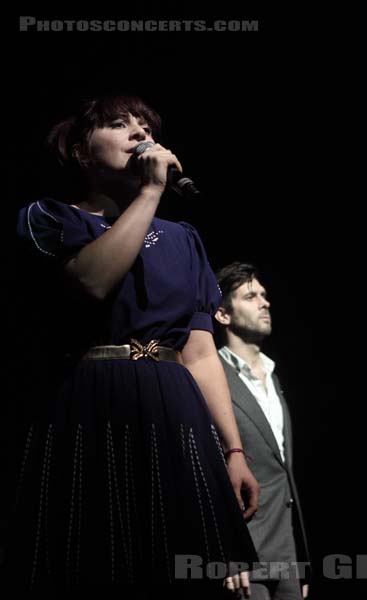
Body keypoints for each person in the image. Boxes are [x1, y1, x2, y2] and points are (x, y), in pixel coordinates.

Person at [5, 95, 260, 595]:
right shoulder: (51, 216)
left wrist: (233, 448)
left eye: (144, 126)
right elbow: (92, 283)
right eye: (119, 125)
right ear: (81, 152)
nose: (138, 133)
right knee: (96, 554)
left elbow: (200, 351)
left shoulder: (183, 238)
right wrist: (150, 193)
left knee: (185, 558)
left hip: (174, 400)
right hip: (91, 397)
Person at [214, 262, 311, 600]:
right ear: (223, 314)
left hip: (285, 556)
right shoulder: (212, 378)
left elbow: (282, 473)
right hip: (244, 558)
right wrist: (227, 555)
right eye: (251, 296)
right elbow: (206, 472)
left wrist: (300, 560)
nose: (265, 303)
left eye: (265, 296)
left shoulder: (274, 376)